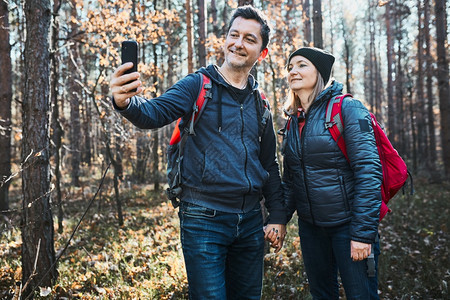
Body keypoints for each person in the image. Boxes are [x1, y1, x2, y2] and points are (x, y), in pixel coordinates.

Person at [110, 5, 286, 299]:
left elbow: (269, 163)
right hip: (204, 219)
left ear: (262, 53)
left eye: (250, 39)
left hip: (252, 221)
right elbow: (153, 113)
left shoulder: (261, 103)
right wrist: (125, 102)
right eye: (234, 35)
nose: (239, 43)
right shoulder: (198, 85)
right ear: (225, 39)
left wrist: (277, 215)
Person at [281, 47, 383, 299]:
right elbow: (291, 180)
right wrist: (278, 219)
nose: (293, 70)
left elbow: (369, 172)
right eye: (290, 67)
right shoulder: (293, 120)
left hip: (348, 226)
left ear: (320, 72)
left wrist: (362, 233)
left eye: (301, 65)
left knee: (361, 295)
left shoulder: (348, 108)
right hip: (311, 229)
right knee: (322, 295)